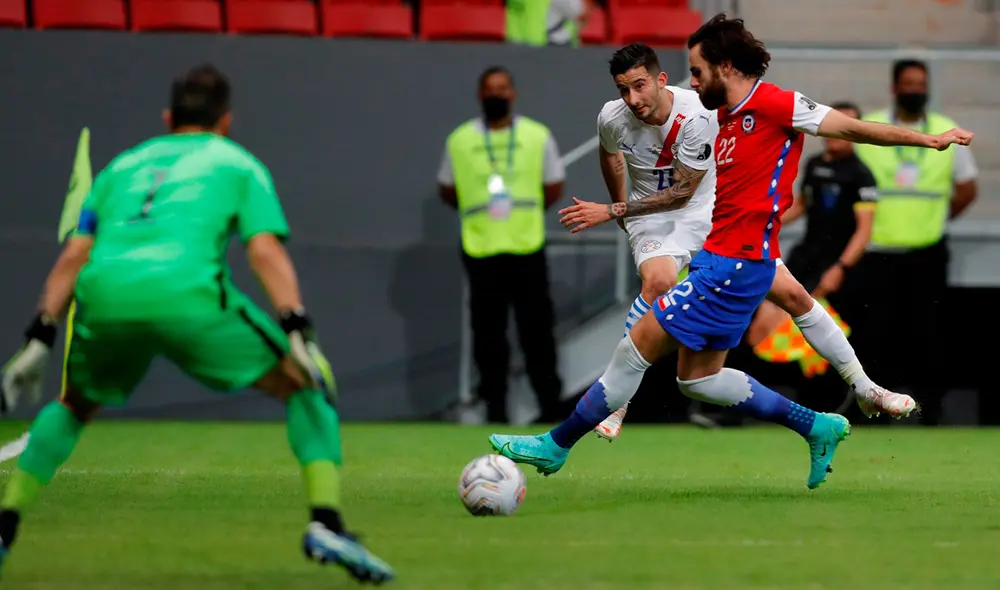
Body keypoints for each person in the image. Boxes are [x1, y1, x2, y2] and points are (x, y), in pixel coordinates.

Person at [489, 13, 973, 489]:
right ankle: (817, 424)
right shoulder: (716, 115)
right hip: (725, 256)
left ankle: (555, 445)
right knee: (697, 379)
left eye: (697, 72)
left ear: (723, 67)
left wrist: (928, 139)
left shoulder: (778, 105)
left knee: (635, 348)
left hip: (733, 264)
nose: (692, 84)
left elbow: (849, 128)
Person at [0, 65, 394, 583]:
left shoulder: (122, 166)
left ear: (168, 118)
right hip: (187, 292)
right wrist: (297, 327)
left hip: (105, 295)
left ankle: (5, 528)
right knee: (308, 389)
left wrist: (39, 334)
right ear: (225, 121)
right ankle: (326, 521)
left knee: (73, 406)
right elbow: (263, 249)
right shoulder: (236, 162)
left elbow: (76, 252)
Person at [559, 50, 915, 442]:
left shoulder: (701, 111)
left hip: (709, 212)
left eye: (639, 86)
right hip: (650, 216)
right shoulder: (612, 117)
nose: (632, 99)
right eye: (623, 90)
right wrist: (625, 213)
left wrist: (613, 208)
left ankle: (865, 387)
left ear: (662, 81)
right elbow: (609, 156)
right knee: (658, 283)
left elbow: (684, 193)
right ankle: (619, 398)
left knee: (793, 295)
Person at [854, 59, 979, 426]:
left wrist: (936, 220)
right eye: (908, 83)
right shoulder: (871, 125)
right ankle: (872, 407)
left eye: (920, 83)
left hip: (927, 251)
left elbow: (967, 188)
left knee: (928, 334)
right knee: (874, 334)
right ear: (895, 88)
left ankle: (930, 413)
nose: (915, 89)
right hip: (876, 251)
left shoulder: (946, 130)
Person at [438, 66, 566, 424]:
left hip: (527, 244)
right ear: (480, 95)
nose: (497, 94)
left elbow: (554, 185)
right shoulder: (459, 140)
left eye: (503, 88)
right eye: (490, 89)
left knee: (537, 332)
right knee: (488, 336)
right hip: (480, 248)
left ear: (514, 94)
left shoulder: (537, 136)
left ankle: (550, 407)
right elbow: (447, 189)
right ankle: (495, 409)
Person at [746, 102, 876, 350]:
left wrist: (841, 267)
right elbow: (802, 204)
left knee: (824, 329)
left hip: (836, 262)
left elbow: (864, 230)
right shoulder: (815, 164)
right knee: (768, 313)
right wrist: (762, 225)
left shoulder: (861, 175)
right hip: (808, 253)